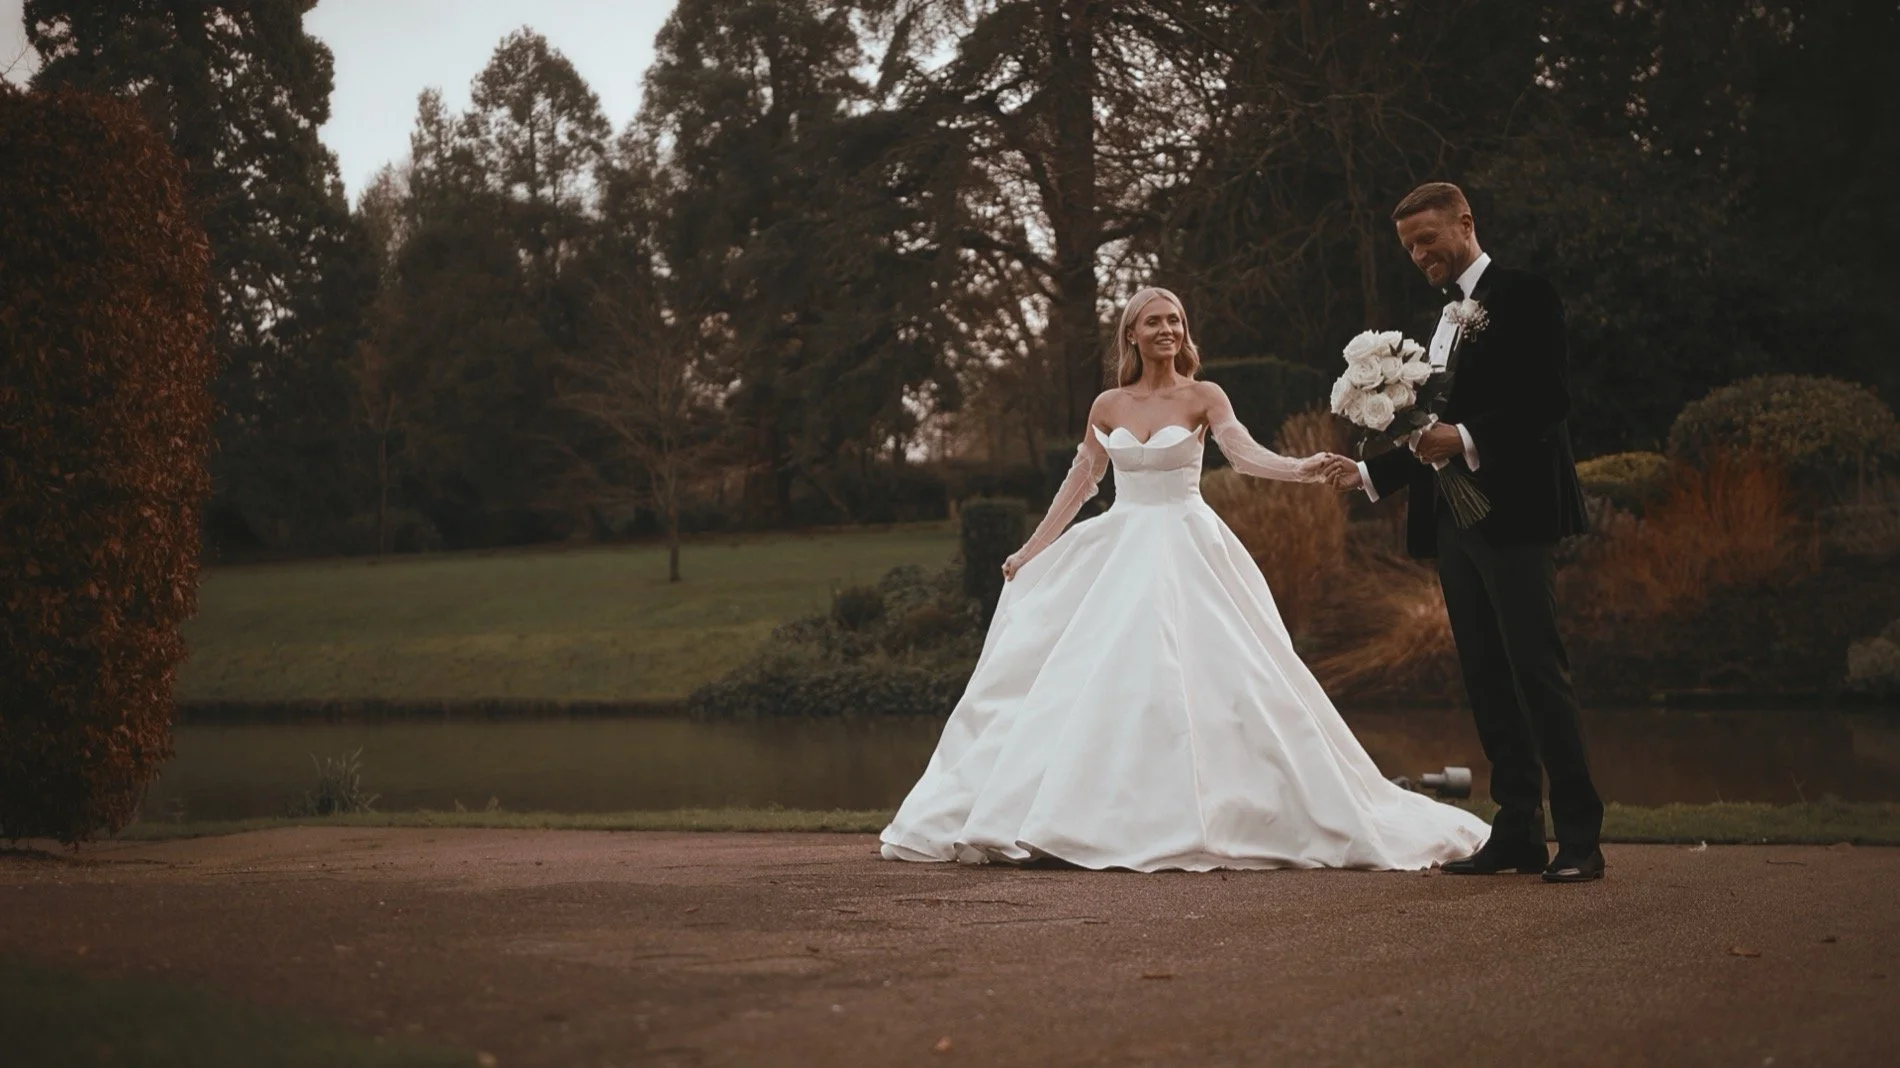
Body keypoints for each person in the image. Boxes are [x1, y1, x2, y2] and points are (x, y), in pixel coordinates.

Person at [879, 286, 1489, 872]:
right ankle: (1080, 813)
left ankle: (1212, 811)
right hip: (1118, 547)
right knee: (1093, 680)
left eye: (1174, 320)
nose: (1167, 329)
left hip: (1187, 543)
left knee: (1207, 678)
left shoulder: (1204, 395)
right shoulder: (1107, 406)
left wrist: (1305, 469)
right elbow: (1083, 481)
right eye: (1154, 321)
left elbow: (1245, 454)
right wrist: (1031, 549)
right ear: (1133, 336)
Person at [1331, 182, 1604, 883]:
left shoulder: (1527, 295)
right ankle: (1516, 831)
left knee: (1537, 672)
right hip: (1455, 522)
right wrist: (1368, 475)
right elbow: (1432, 429)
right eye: (1409, 246)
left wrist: (1470, 436)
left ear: (1465, 223)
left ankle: (1580, 839)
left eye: (1428, 238)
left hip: (1515, 515)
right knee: (1485, 676)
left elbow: (1549, 401)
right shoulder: (1443, 320)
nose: (1419, 253)